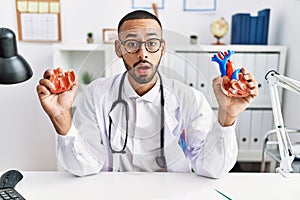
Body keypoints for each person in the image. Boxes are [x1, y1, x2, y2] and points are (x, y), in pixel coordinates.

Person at [37, 10, 258, 178]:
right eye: (132, 44)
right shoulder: (98, 94)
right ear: (118, 49)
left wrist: (228, 117)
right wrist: (60, 118)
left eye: (151, 43)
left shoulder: (190, 98)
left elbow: (211, 169)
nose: (143, 53)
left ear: (162, 48)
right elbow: (85, 166)